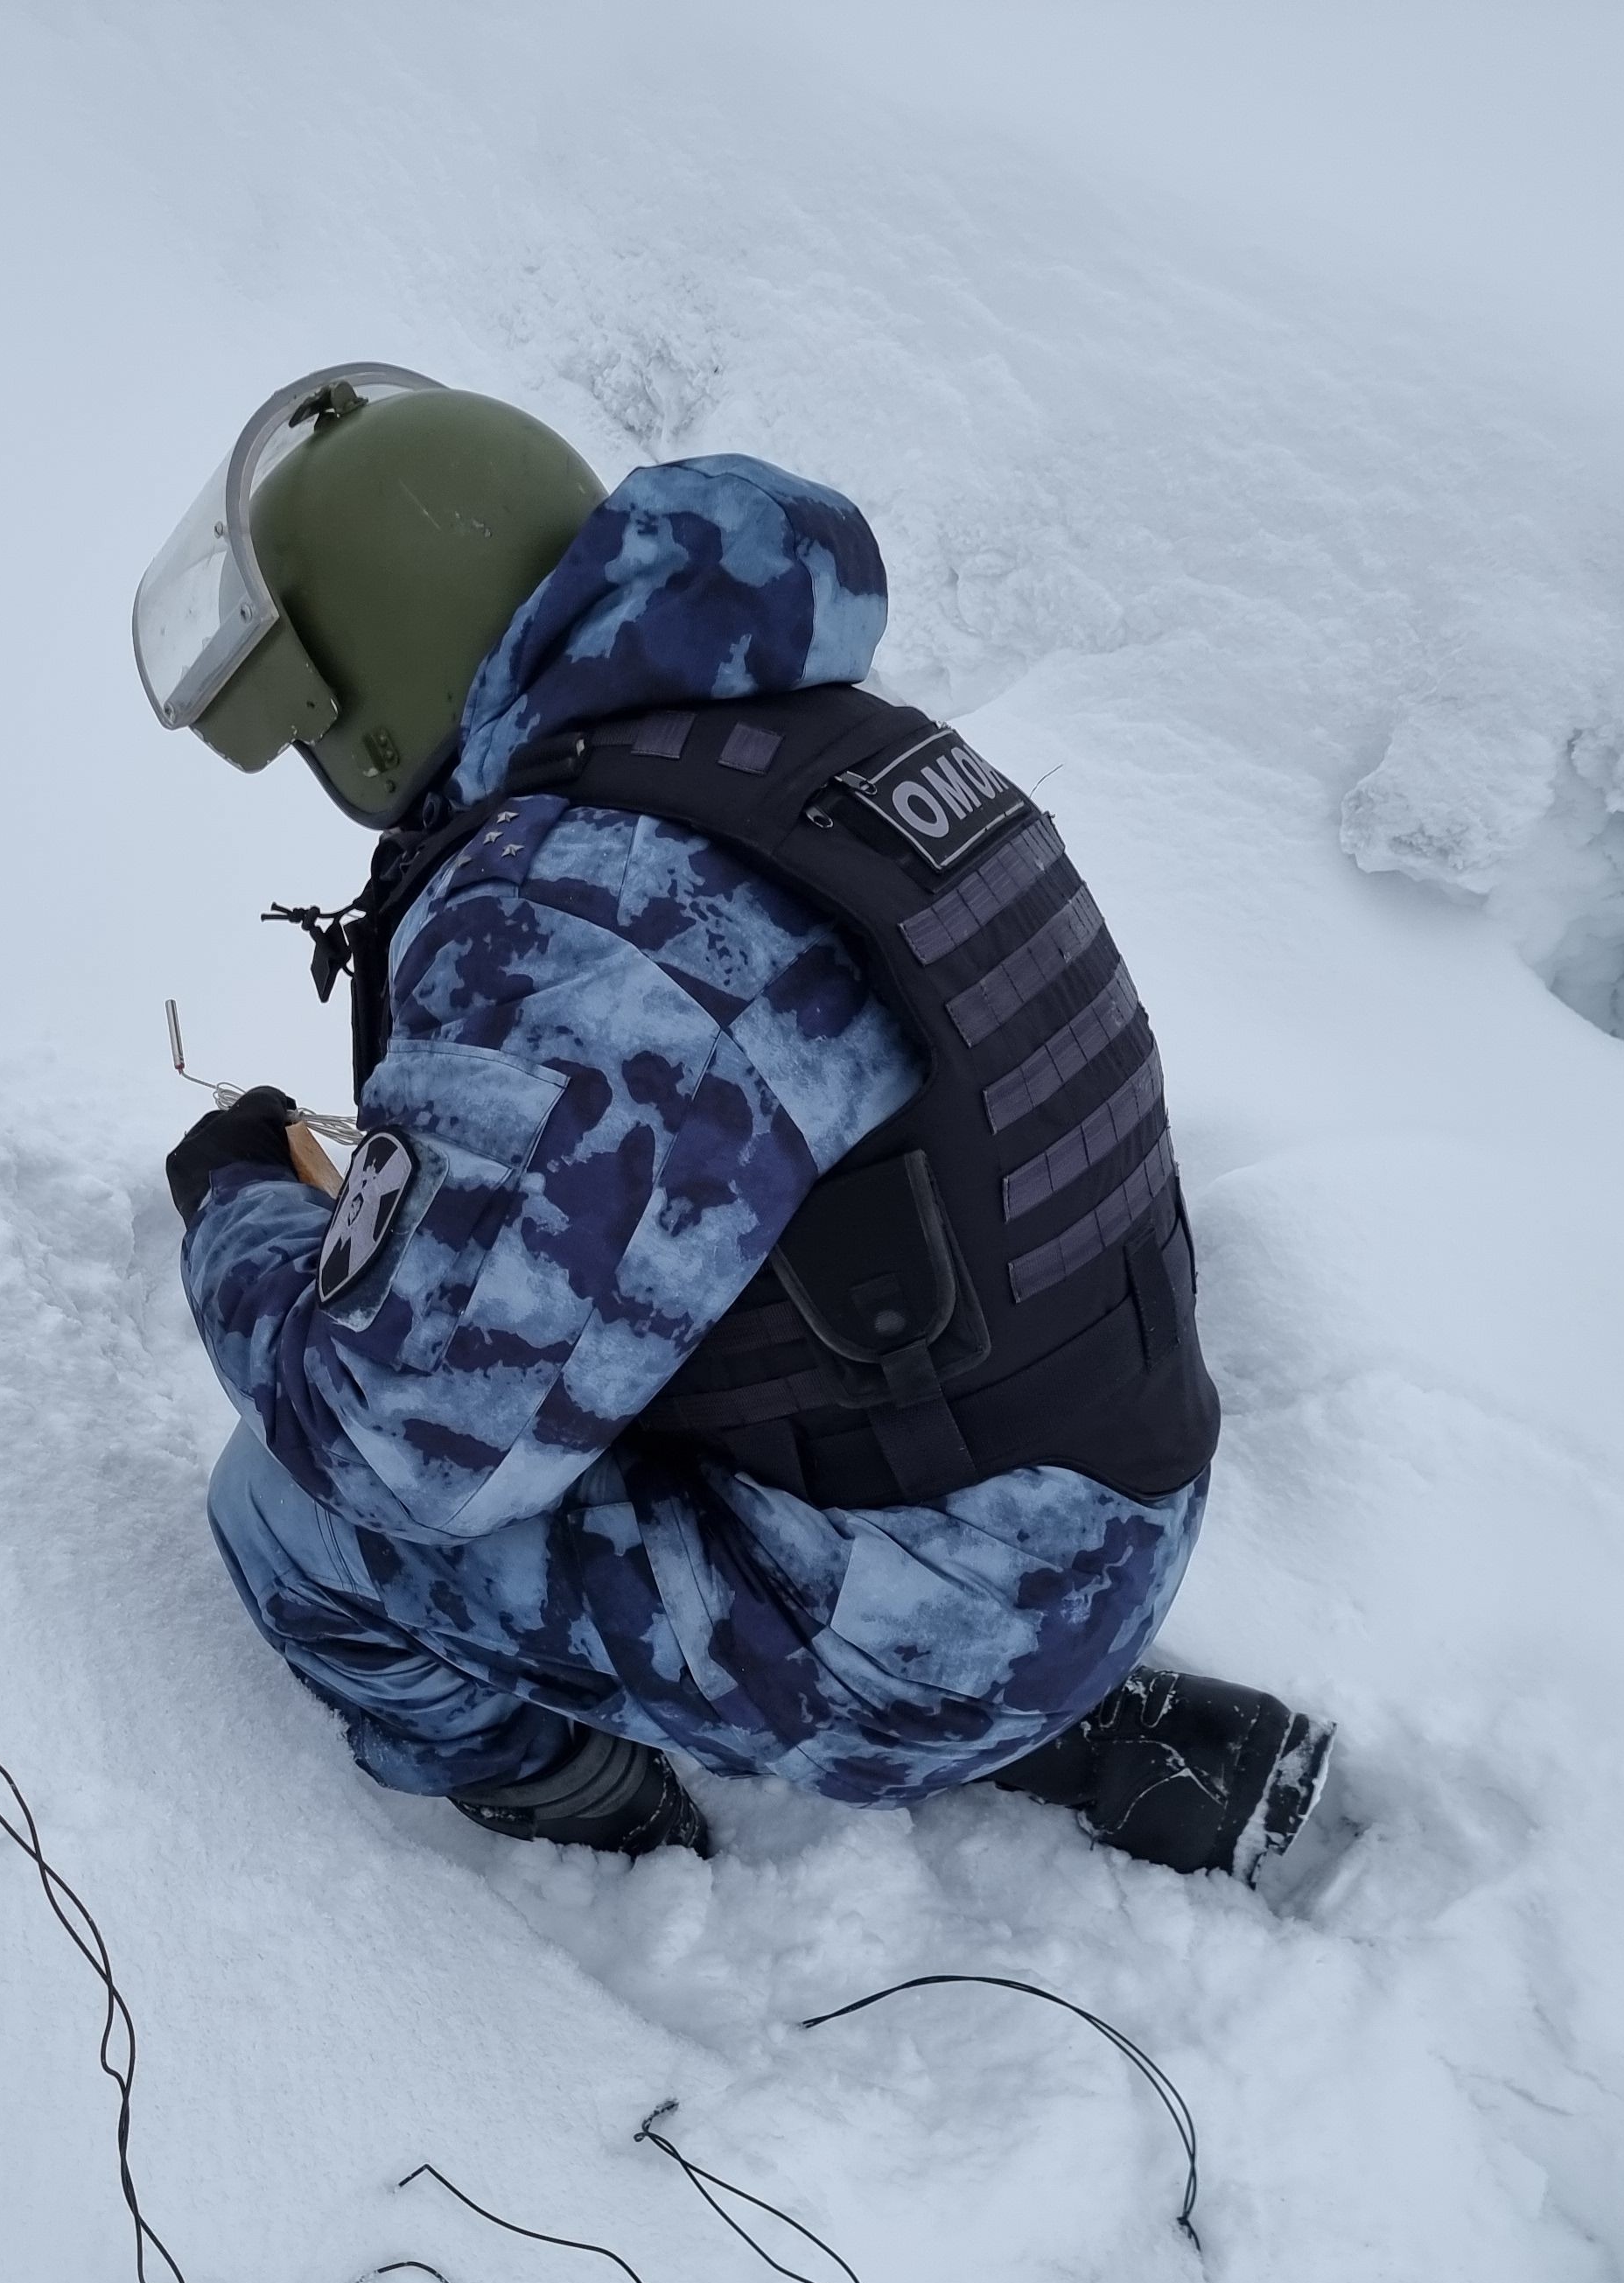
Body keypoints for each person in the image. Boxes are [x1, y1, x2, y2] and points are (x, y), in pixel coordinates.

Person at [136, 363, 1328, 1872]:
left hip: (944, 1630)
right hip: (1109, 1494)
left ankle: (590, 1811)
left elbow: (404, 1454)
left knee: (291, 1522)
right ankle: (1047, 1703)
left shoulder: (593, 918)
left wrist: (240, 1200)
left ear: (376, 683)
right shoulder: (832, 757)